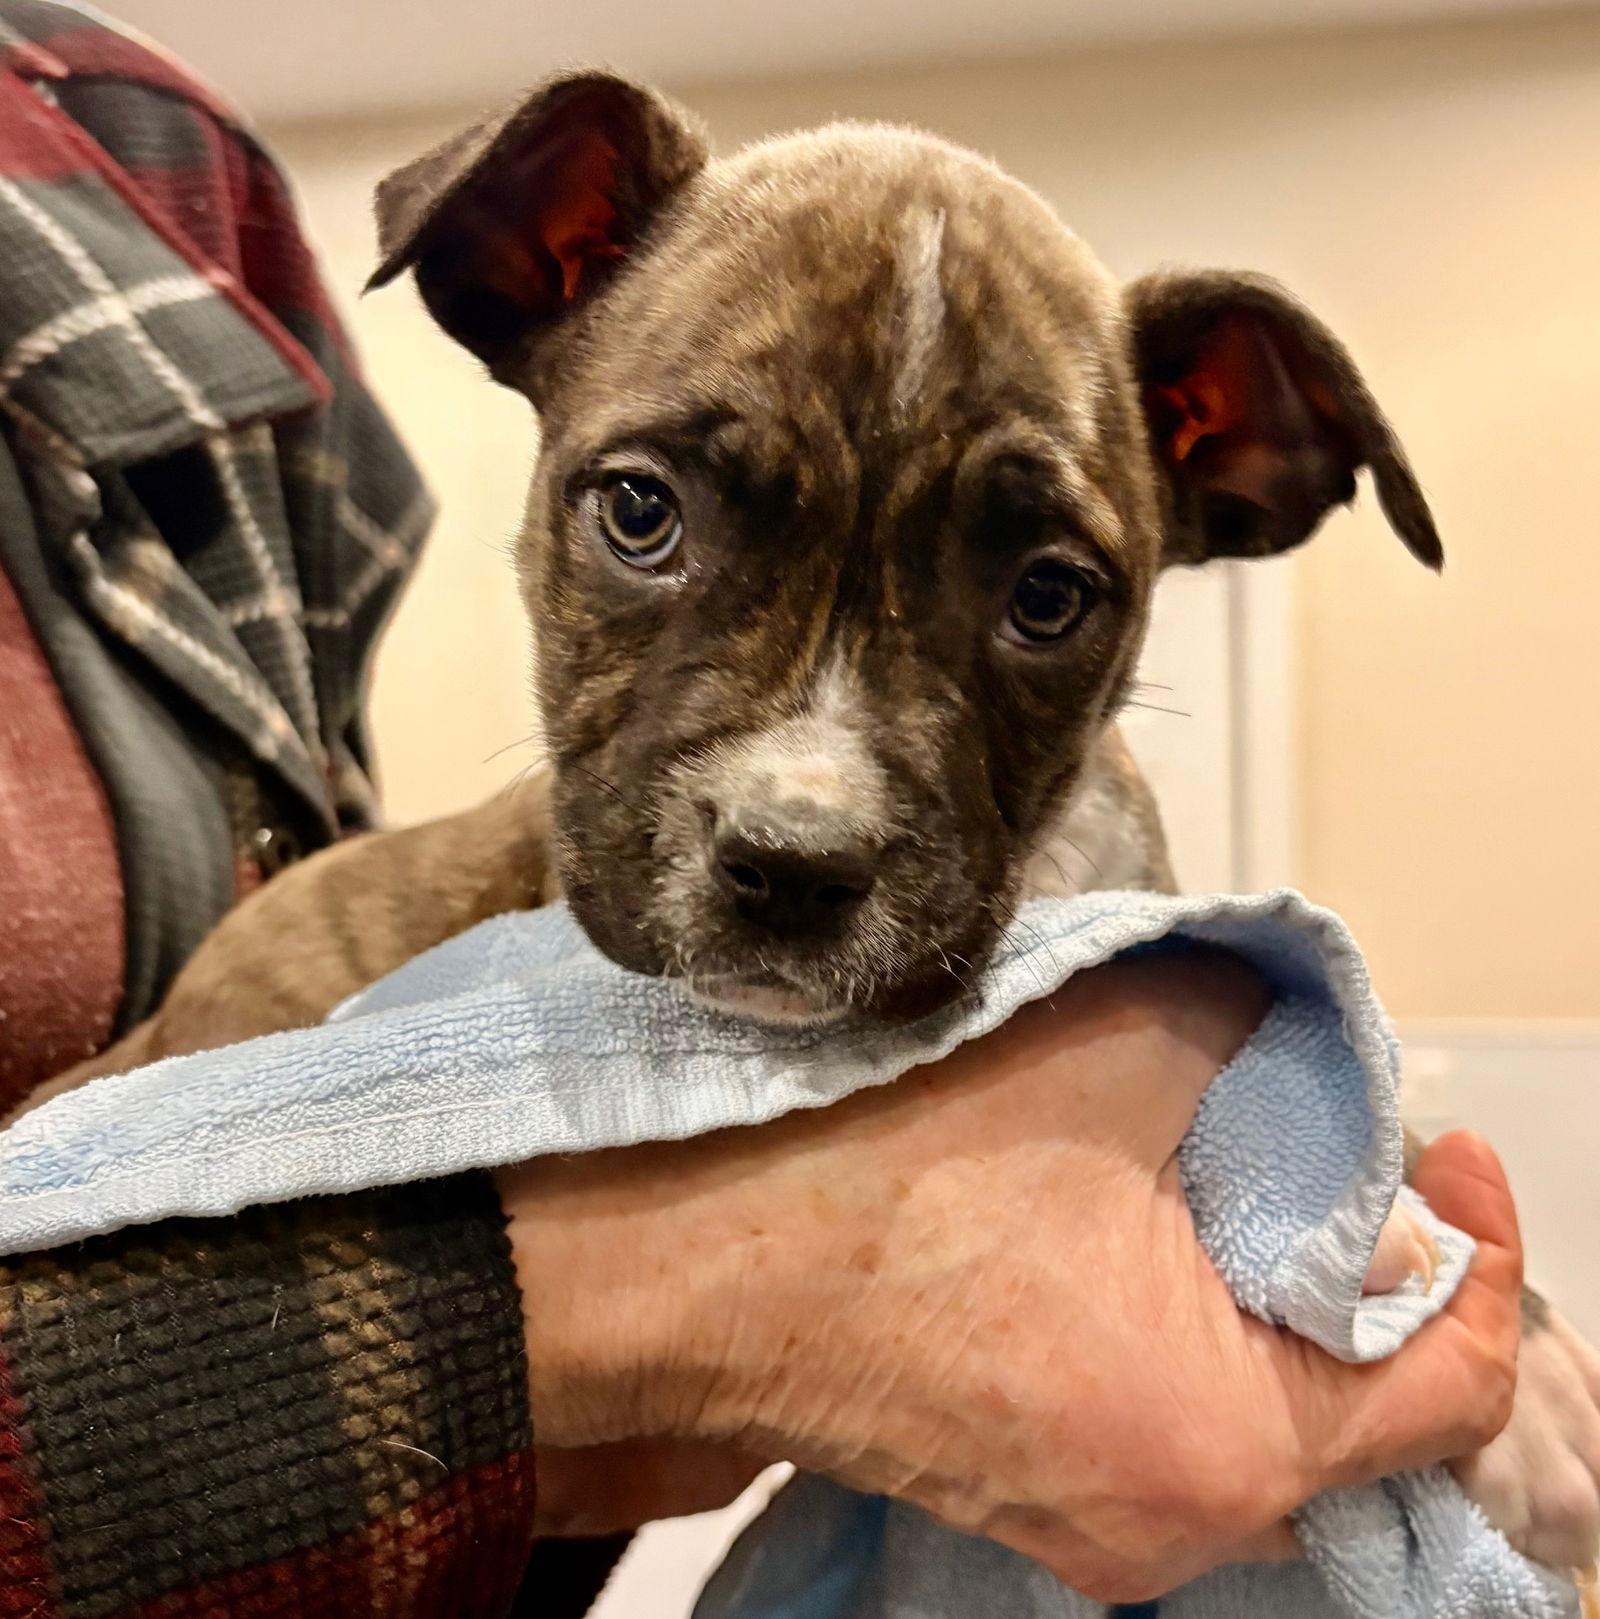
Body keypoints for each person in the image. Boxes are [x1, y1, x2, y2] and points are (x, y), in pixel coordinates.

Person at [0, 6, 1523, 1617]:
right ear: (538, 260)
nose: (811, 801)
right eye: (647, 513)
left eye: (1044, 595)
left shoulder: (152, 166)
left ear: (1237, 458)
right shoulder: (323, 968)